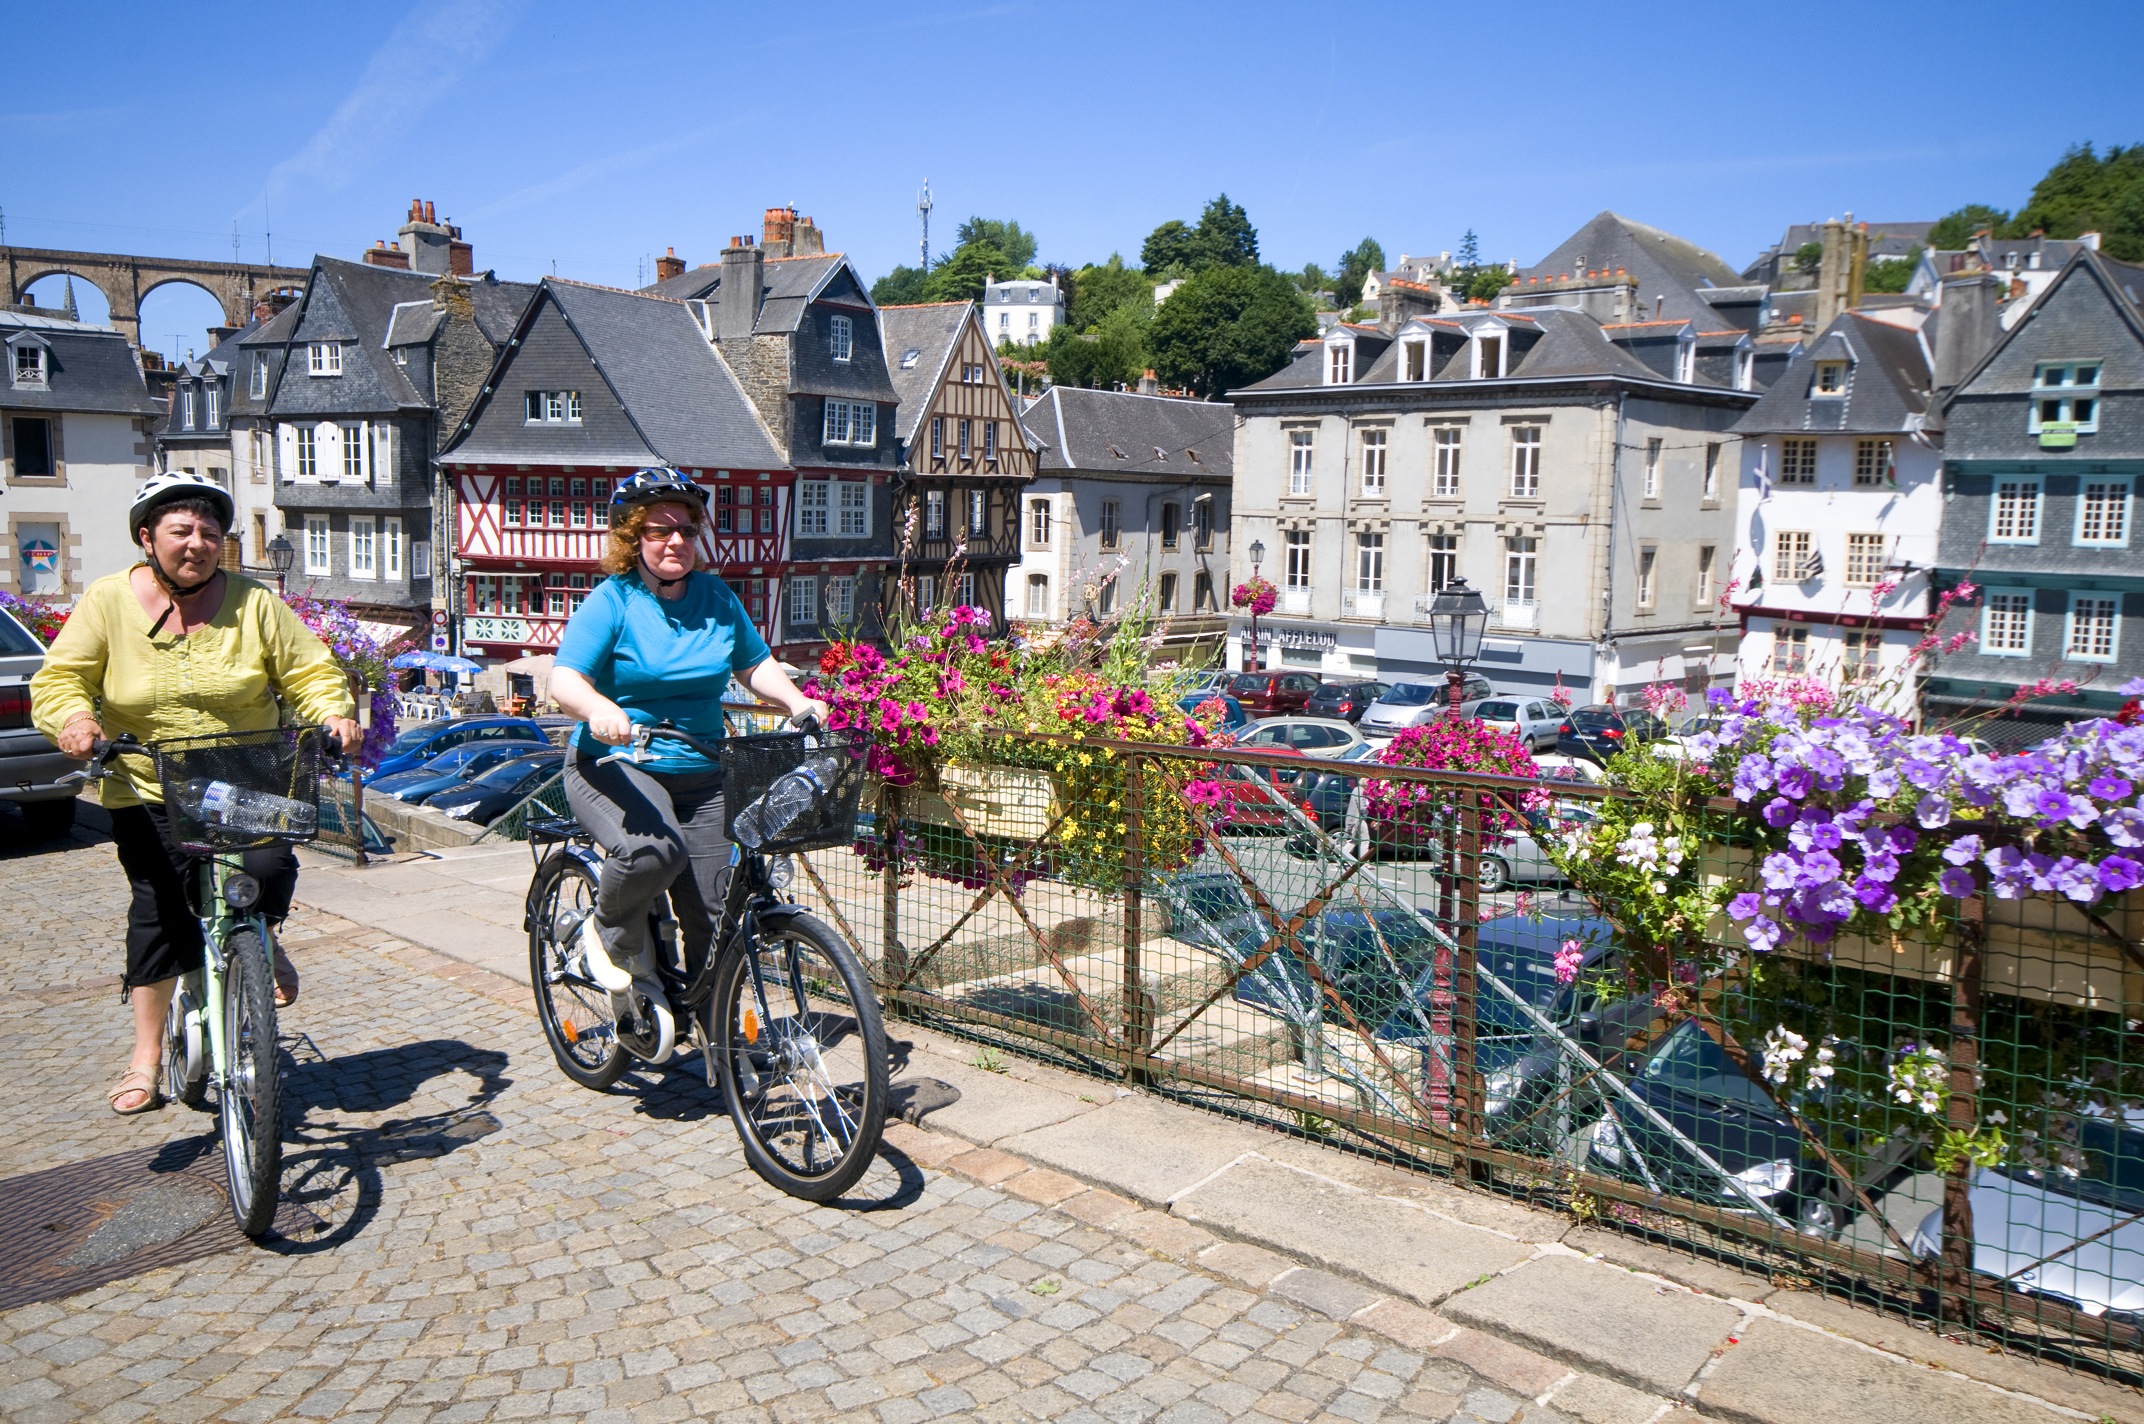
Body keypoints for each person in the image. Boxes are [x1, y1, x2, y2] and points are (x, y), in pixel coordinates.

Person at [31, 473, 361, 1115]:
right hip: (147, 782)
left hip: (244, 778)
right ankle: (146, 1059)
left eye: (210, 532)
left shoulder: (254, 603)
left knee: (266, 866)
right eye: (181, 531)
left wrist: (331, 712)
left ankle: (259, 932)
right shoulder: (107, 602)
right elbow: (62, 678)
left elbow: (310, 670)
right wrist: (75, 721)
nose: (198, 543)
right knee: (160, 910)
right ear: (146, 538)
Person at [550, 468, 825, 1030]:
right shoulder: (614, 601)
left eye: (685, 529)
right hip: (616, 763)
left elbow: (753, 664)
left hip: (701, 766)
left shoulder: (716, 597)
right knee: (654, 852)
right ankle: (612, 933)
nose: (675, 541)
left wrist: (799, 702)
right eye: (657, 530)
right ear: (633, 540)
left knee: (716, 909)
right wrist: (601, 711)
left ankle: (712, 1035)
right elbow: (564, 680)